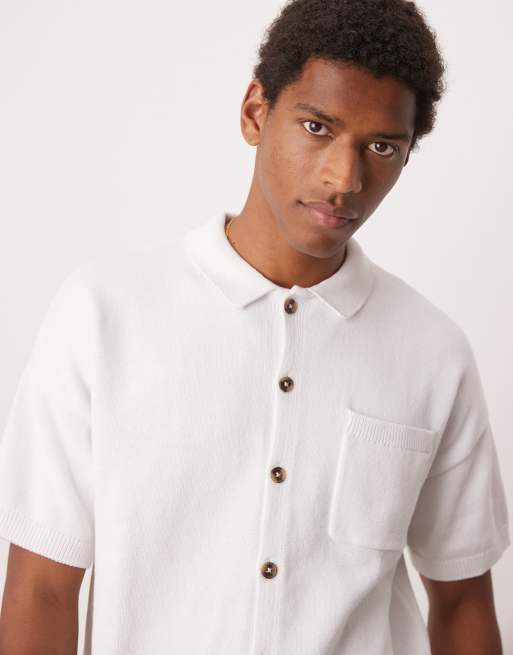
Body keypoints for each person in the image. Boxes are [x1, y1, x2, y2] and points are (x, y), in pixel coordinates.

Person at [0, 0, 510, 653]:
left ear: (406, 157)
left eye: (381, 146)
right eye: (316, 127)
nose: (344, 178)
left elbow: (462, 602)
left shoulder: (433, 352)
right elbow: (42, 588)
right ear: (254, 113)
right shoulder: (104, 315)